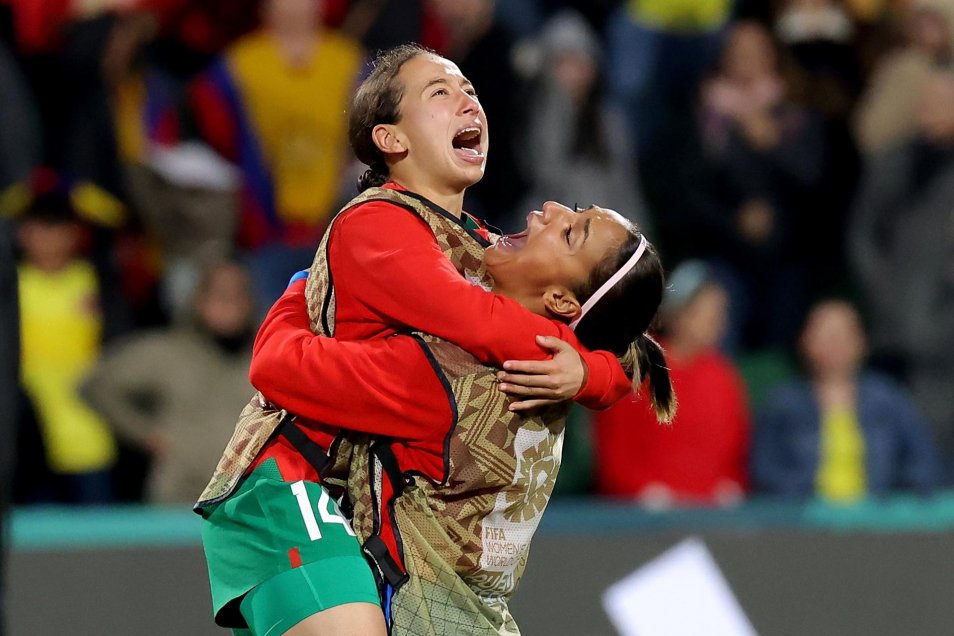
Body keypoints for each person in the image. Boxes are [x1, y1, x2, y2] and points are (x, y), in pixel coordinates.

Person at [197, 44, 635, 636]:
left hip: (358, 510)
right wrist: (576, 360)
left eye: (471, 90)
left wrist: (592, 372)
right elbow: (471, 320)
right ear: (391, 140)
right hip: (291, 480)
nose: (468, 100)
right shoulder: (378, 223)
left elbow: (628, 342)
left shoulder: (481, 246)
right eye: (440, 92)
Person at [250, 200, 675, 635]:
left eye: (571, 233)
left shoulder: (450, 376)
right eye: (575, 210)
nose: (550, 209)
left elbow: (276, 366)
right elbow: (624, 356)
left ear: (561, 300)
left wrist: (303, 287)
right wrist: (594, 373)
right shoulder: (562, 362)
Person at [189, 0, 364, 310]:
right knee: (269, 327)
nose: (295, 7)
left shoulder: (350, 62)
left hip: (338, 227)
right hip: (263, 232)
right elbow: (214, 133)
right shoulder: (237, 64)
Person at [81, 260, 256, 504]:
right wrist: (144, 433)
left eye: (238, 294)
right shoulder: (167, 353)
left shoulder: (270, 355)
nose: (229, 304)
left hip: (249, 498)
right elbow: (96, 386)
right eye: (219, 294)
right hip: (180, 496)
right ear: (199, 299)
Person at [594, 260, 750, 507]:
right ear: (677, 314)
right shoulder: (636, 370)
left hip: (710, 516)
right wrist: (645, 494)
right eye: (703, 311)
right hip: (642, 517)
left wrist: (729, 488)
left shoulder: (724, 377)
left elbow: (735, 457)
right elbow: (615, 456)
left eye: (720, 313)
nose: (716, 321)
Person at [753, 300, 940, 502]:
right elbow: (764, 469)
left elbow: (922, 458)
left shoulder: (886, 396)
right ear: (805, 340)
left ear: (862, 341)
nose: (836, 343)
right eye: (826, 335)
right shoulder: (783, 402)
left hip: (878, 517)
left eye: (845, 334)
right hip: (804, 519)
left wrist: (899, 501)